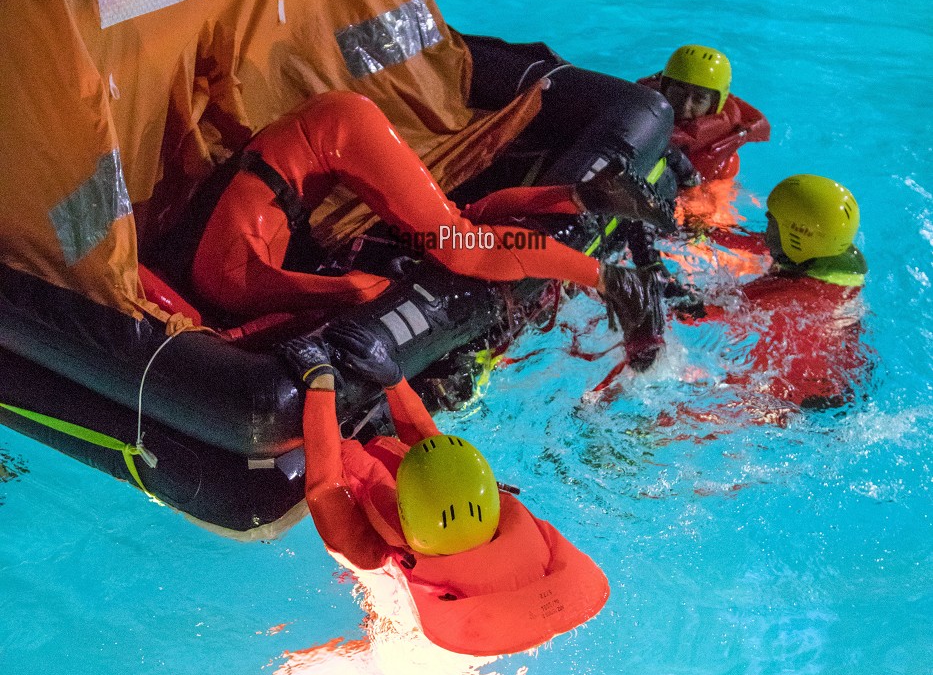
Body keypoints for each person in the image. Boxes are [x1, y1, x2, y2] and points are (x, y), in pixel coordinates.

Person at [256, 322, 609, 675]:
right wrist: (393, 379)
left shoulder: (377, 556)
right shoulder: (500, 532)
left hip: (403, 667)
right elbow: (438, 453)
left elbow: (323, 486)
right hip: (475, 644)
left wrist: (318, 381)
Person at [183, 90, 667, 353]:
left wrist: (237, 342)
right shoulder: (230, 272)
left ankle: (613, 281)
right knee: (462, 228)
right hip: (324, 129)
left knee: (462, 248)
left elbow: (359, 294)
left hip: (335, 134)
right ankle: (583, 195)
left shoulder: (237, 284)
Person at [674, 175, 869, 411]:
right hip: (844, 377)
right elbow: (764, 244)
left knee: (685, 411)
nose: (766, 233)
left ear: (796, 237)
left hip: (800, 398)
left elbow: (697, 312)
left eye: (772, 225)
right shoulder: (826, 252)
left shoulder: (790, 293)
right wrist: (705, 233)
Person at [640, 44, 770, 190]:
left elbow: (706, 208)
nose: (685, 106)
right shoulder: (635, 109)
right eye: (677, 92)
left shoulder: (723, 158)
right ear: (664, 88)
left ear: (714, 105)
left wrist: (690, 179)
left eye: (699, 99)